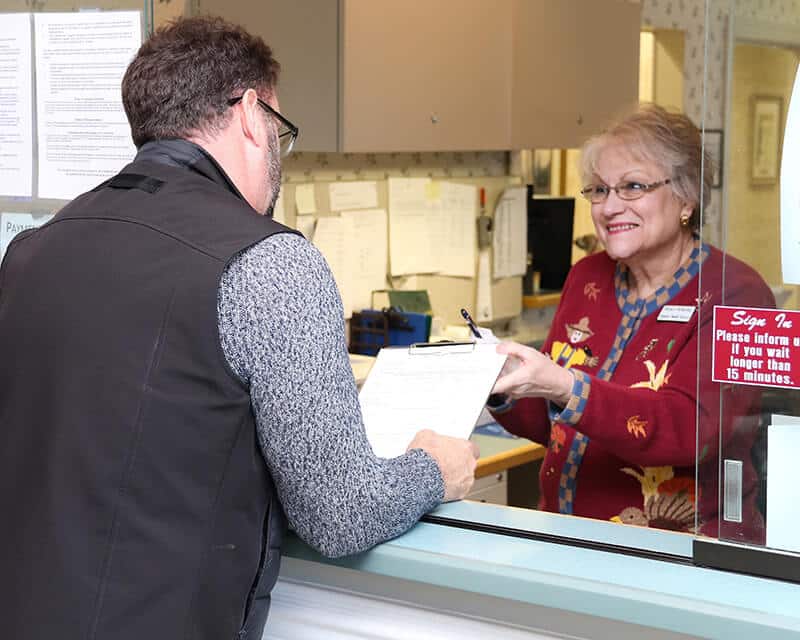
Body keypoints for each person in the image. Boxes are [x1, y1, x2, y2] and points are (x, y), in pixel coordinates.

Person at [0, 16, 479, 640]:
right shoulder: (271, 261)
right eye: (280, 130)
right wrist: (434, 467)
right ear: (253, 114)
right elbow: (341, 511)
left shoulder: (34, 248)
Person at [489, 104, 774, 542]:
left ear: (687, 196)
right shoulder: (588, 277)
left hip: (679, 558)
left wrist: (566, 385)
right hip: (564, 540)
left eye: (632, 187)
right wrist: (501, 383)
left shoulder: (736, 293)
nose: (609, 207)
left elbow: (692, 430)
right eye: (599, 191)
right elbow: (551, 425)